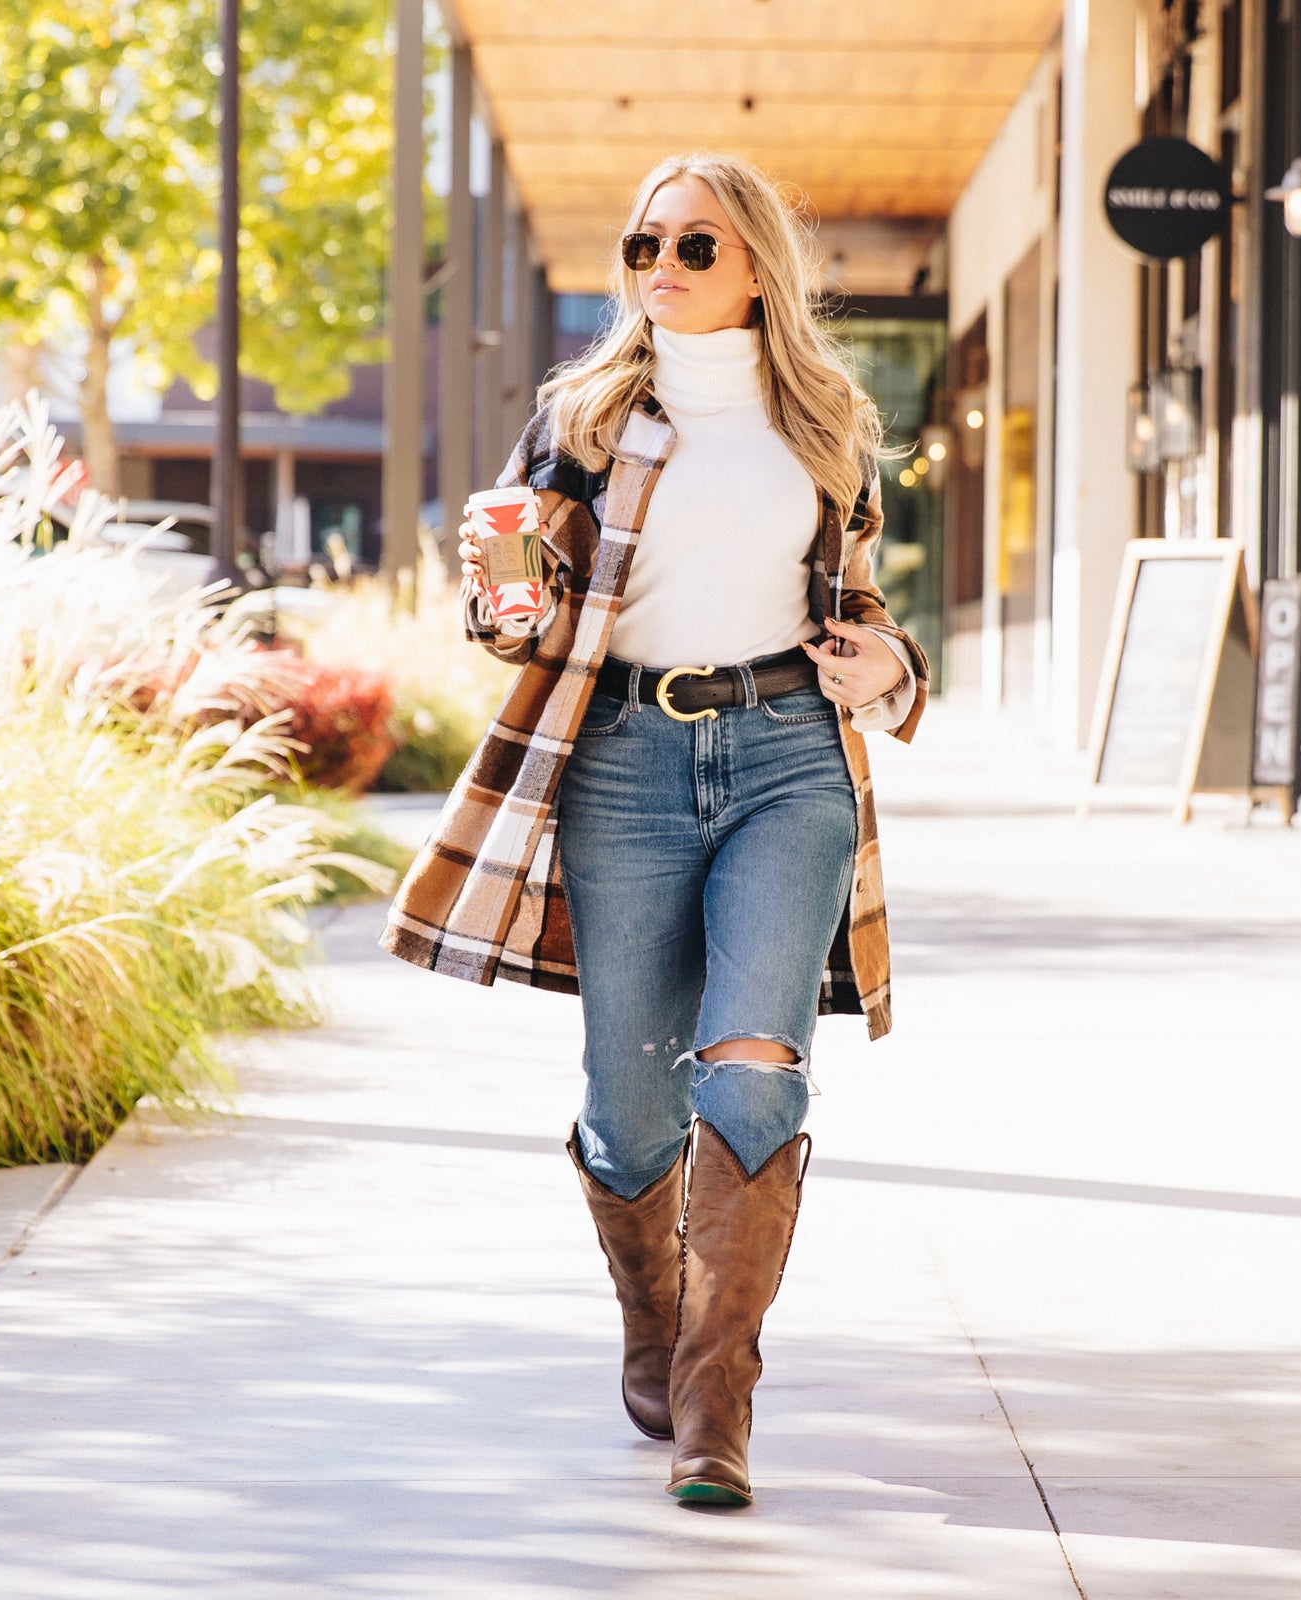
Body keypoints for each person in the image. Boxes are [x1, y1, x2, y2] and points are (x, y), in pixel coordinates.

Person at [381, 151, 929, 1507]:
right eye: (644, 247)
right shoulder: (583, 414)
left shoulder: (829, 422)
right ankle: (656, 1321)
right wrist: (499, 589)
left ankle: (714, 1397)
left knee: (752, 1072)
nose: (663, 270)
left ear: (755, 264)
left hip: (786, 761)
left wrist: (895, 674)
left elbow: (860, 607)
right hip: (621, 760)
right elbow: (518, 611)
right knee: (632, 1114)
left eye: (694, 246)